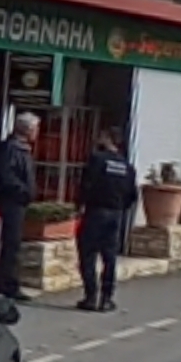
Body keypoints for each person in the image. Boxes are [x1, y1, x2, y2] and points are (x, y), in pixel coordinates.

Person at [75, 130, 138, 312]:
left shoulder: (97, 159)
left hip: (96, 212)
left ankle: (91, 296)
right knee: (109, 258)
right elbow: (132, 195)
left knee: (88, 254)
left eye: (102, 136)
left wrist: (80, 205)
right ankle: (106, 298)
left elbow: (86, 184)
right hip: (115, 214)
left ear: (109, 140)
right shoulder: (127, 166)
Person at [0, 112, 40, 300]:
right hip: (12, 202)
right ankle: (7, 285)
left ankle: (6, 282)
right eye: (35, 129)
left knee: (13, 244)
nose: (37, 133)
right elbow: (7, 175)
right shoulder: (12, 148)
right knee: (11, 244)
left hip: (19, 202)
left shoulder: (22, 148)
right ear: (26, 129)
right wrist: (24, 191)